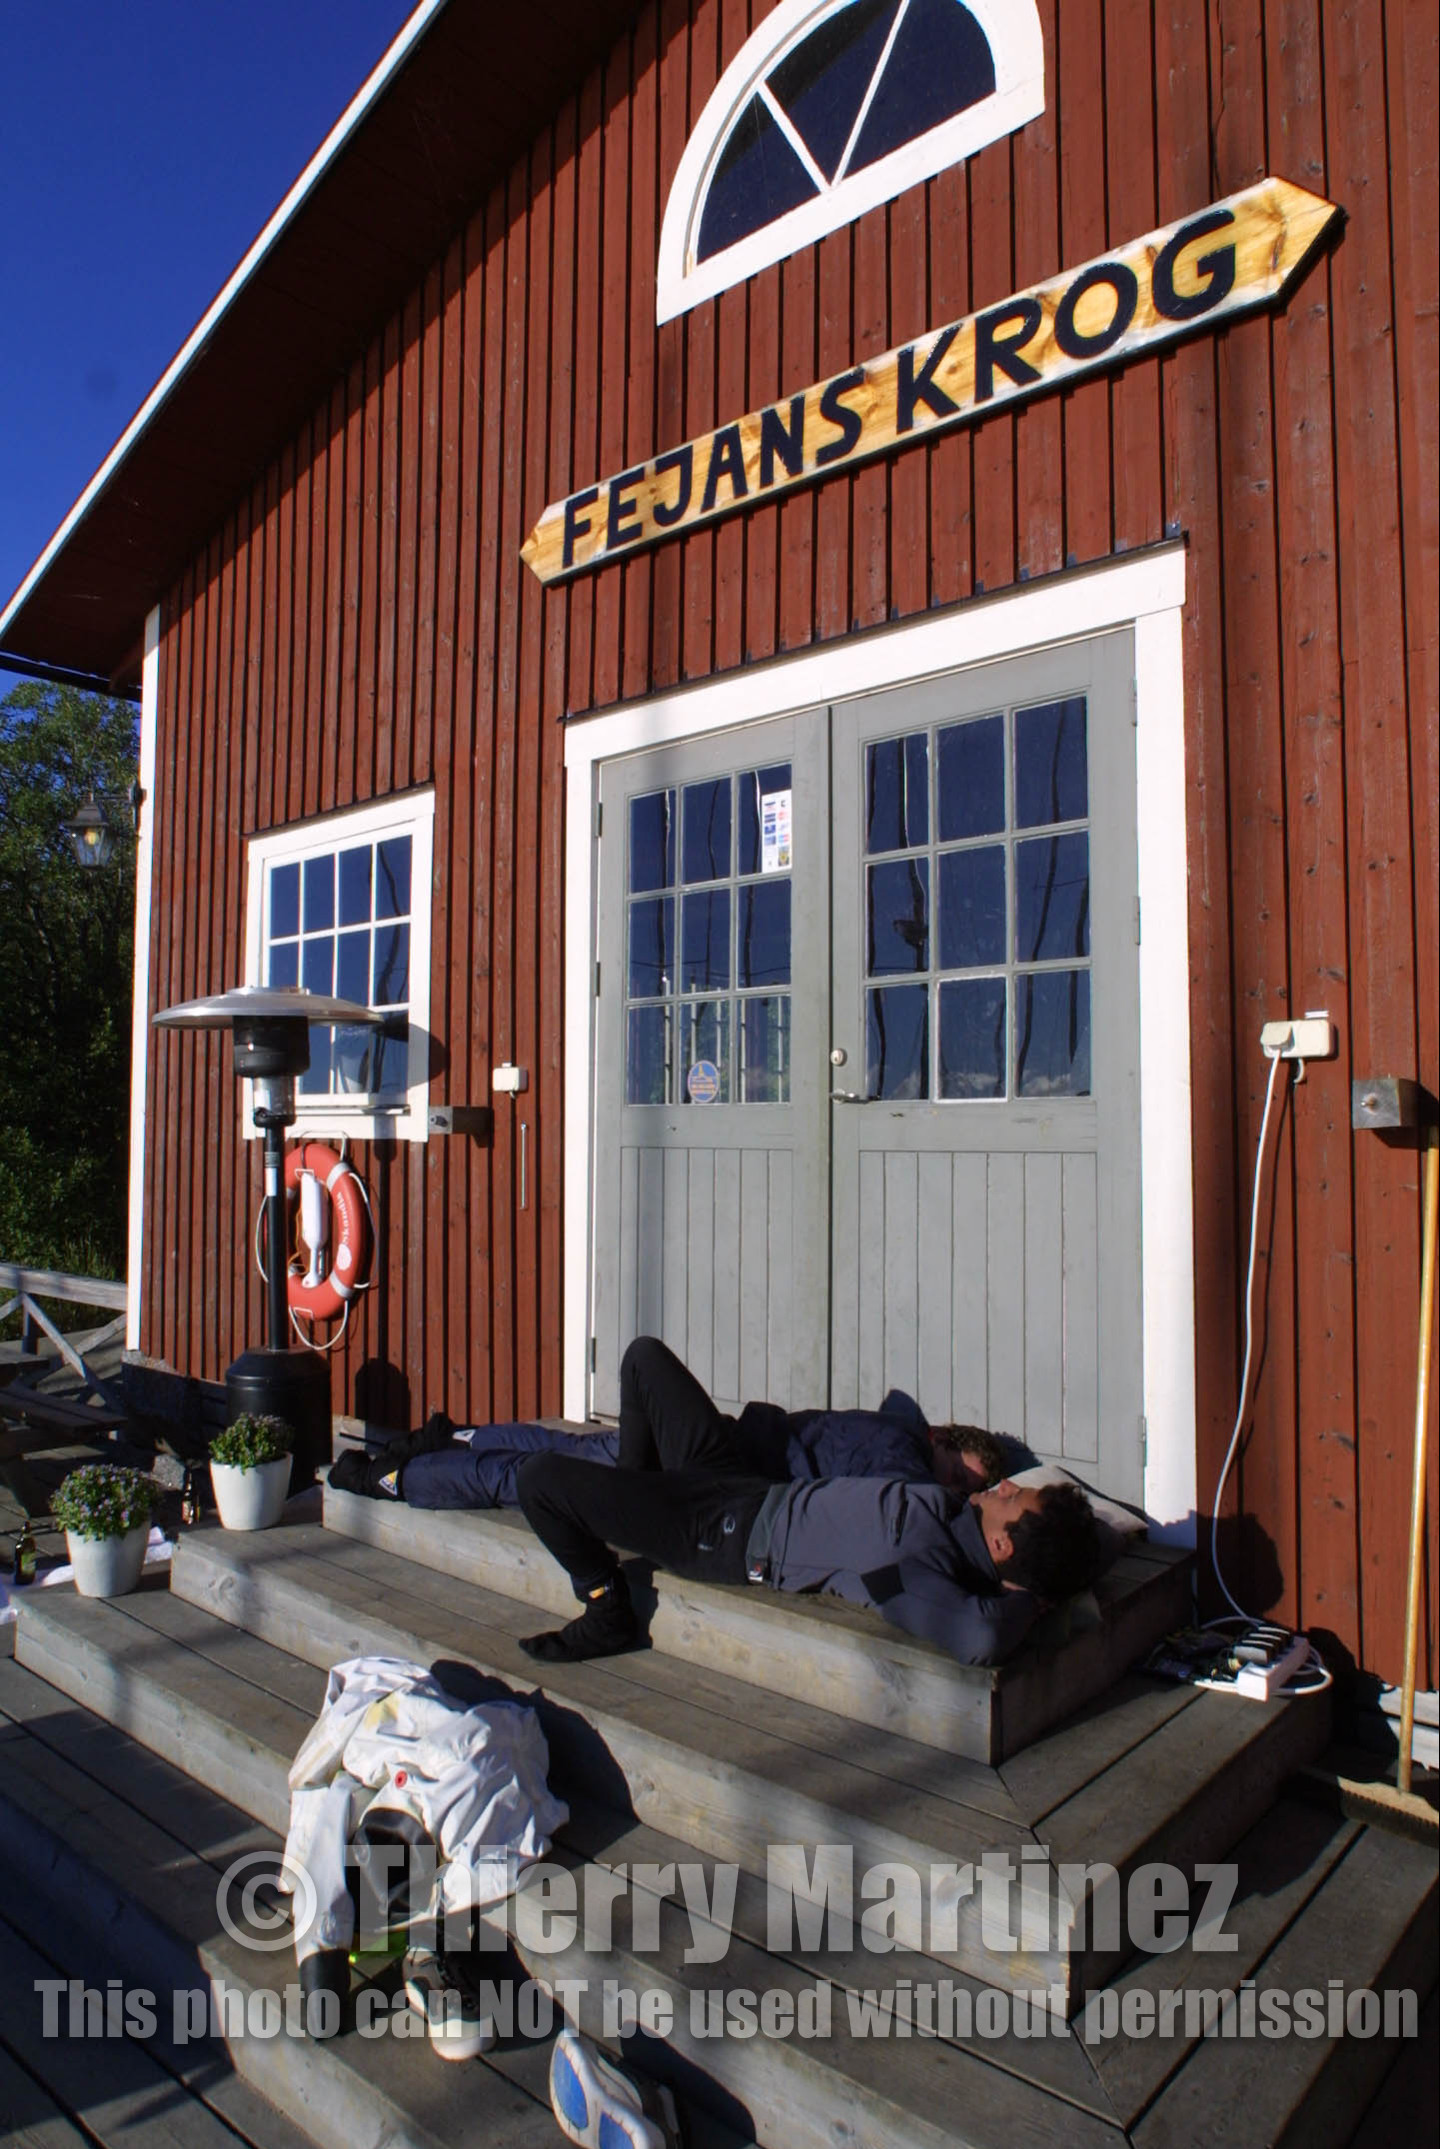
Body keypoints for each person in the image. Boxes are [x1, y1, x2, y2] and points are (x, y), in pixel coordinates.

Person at [513, 1339, 1101, 1670]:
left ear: (1002, 1545)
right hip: (744, 1486)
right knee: (643, 1359)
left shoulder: (916, 1564)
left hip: (721, 1534)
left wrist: (1036, 1598)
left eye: (1012, 1496)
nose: (1001, 1486)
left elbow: (980, 1640)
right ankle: (629, 1501)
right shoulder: (952, 1514)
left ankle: (604, 1603)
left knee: (539, 1480)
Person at [328, 1335, 1034, 1509]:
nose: (947, 1490)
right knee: (554, 1466)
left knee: (580, 1449)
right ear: (940, 1440)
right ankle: (402, 1470)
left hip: (726, 1457)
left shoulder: (893, 1430)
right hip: (724, 1463)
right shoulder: (903, 1451)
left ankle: (442, 1444)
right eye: (953, 1475)